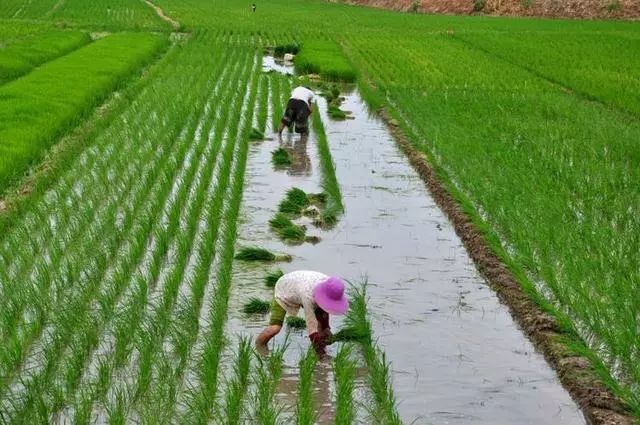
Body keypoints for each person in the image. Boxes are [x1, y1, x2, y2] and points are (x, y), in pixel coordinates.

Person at [256, 271, 349, 355]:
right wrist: (321, 354)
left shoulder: (332, 286)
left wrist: (326, 328)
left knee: (322, 328)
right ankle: (259, 345)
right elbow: (311, 327)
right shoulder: (308, 296)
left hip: (300, 285)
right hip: (284, 289)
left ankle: (322, 345)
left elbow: (325, 310)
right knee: (275, 328)